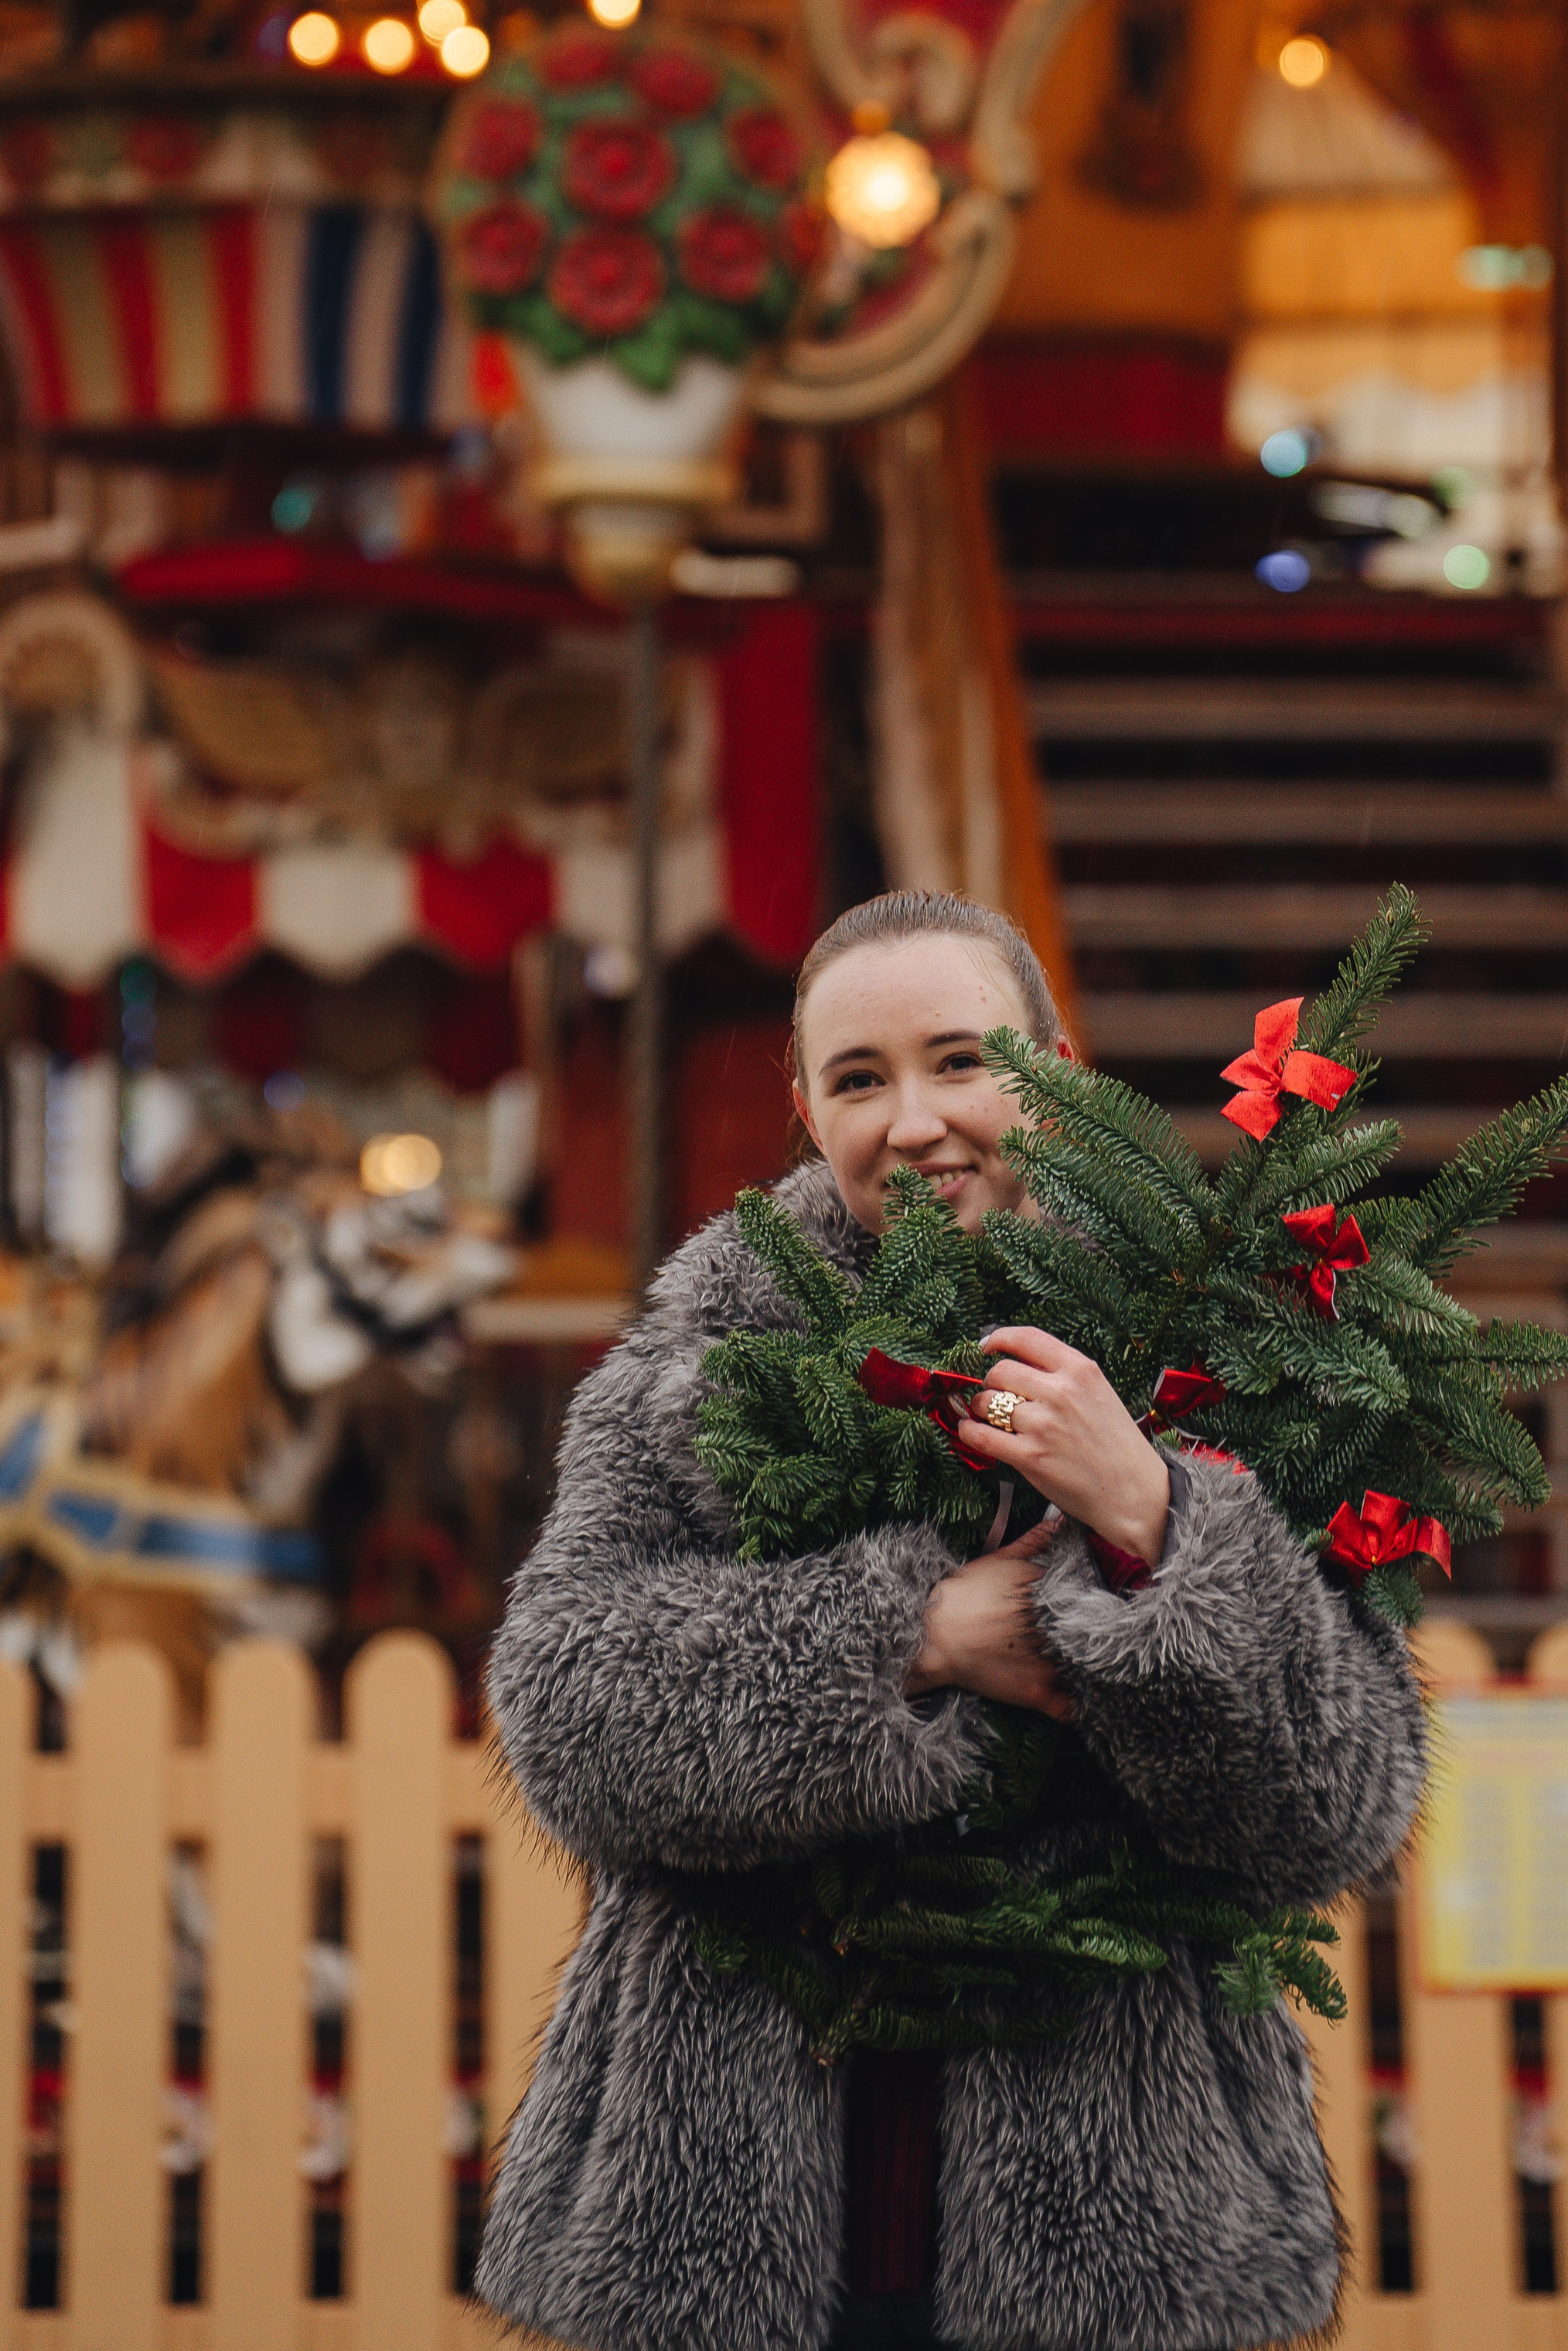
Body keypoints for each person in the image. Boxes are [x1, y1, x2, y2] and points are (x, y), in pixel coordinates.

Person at [476, 889, 1427, 2351]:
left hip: (1127, 2235)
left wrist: (1155, 1521)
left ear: (1057, 1067)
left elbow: (1336, 1805)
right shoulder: (695, 1369)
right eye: (860, 1080)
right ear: (806, 1108)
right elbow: (563, 1709)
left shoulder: (1217, 1355)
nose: (913, 1121)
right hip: (726, 2220)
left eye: (961, 1062)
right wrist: (911, 1636)